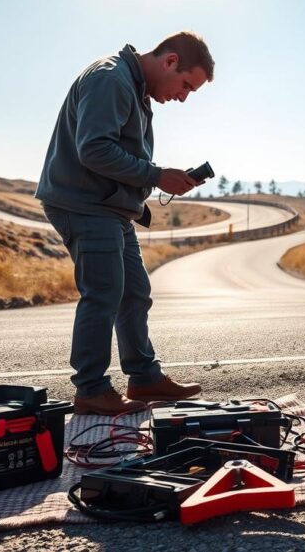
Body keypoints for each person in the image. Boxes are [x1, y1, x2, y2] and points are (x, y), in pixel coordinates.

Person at [35, 31, 214, 415]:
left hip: (112, 209)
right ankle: (91, 390)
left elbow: (115, 153)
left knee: (134, 292)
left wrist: (157, 177)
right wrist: (156, 175)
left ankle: (144, 378)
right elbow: (94, 149)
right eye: (186, 85)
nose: (183, 97)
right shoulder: (110, 79)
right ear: (170, 61)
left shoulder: (133, 88)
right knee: (104, 292)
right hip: (84, 205)